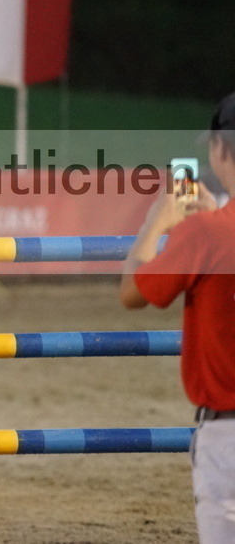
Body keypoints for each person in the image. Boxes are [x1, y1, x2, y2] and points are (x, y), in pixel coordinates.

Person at [119, 92, 235, 544]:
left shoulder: (204, 233)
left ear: (219, 150)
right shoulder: (211, 230)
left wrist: (158, 221)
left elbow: (133, 293)